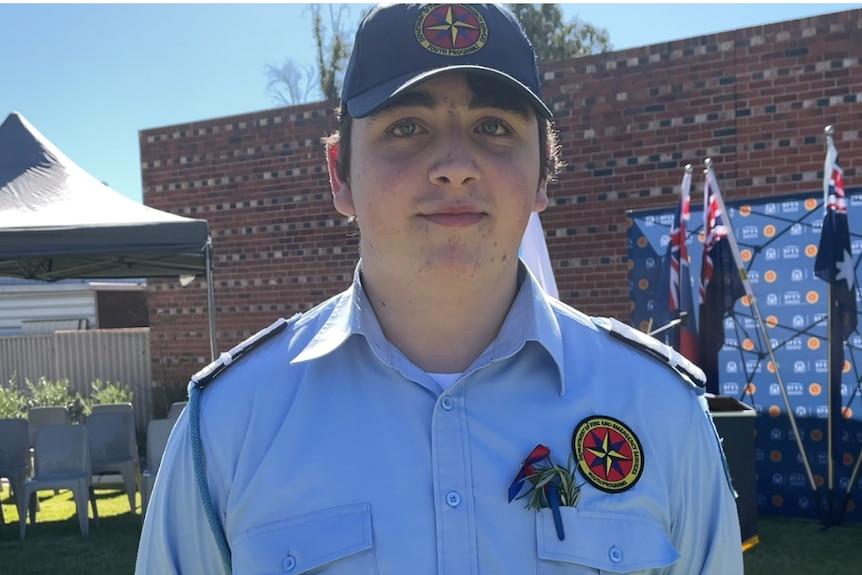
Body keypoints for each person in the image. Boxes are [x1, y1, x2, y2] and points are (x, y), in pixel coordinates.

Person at [136, 4, 743, 574]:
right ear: (339, 174)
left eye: (493, 126)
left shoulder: (661, 413)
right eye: (405, 126)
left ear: (542, 174)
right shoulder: (227, 426)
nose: (455, 164)